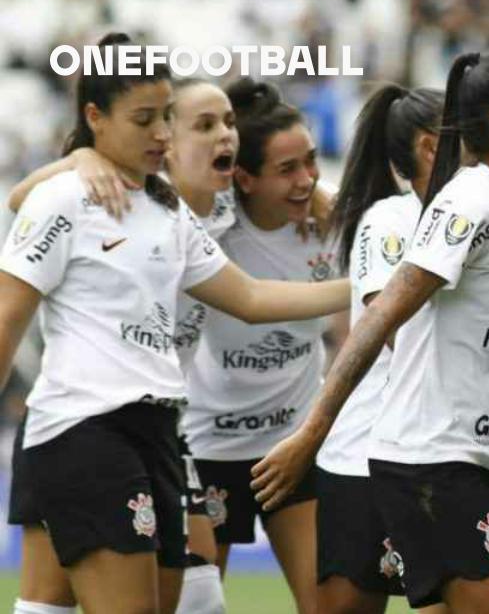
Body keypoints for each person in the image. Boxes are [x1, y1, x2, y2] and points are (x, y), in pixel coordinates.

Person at [0, 32, 348, 614]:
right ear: (97, 118)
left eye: (167, 116)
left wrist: (379, 287)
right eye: (149, 119)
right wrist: (81, 156)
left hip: (161, 430)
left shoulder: (170, 210)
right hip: (88, 425)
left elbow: (252, 296)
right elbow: (10, 306)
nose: (162, 132)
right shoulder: (68, 195)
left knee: (125, 601)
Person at [251, 50, 489, 613]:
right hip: (431, 457)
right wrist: (313, 431)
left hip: (481, 455)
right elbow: (380, 316)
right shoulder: (468, 203)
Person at [179, 78, 339, 614]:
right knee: (196, 605)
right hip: (209, 448)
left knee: (328, 605)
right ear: (242, 177)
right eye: (288, 170)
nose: (307, 179)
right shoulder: (209, 226)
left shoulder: (331, 222)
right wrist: (86, 158)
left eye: (311, 163)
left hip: (292, 444)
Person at [318, 82, 446, 614]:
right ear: (428, 147)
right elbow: (390, 327)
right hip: (365, 454)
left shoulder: (483, 214)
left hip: (443, 453)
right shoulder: (389, 221)